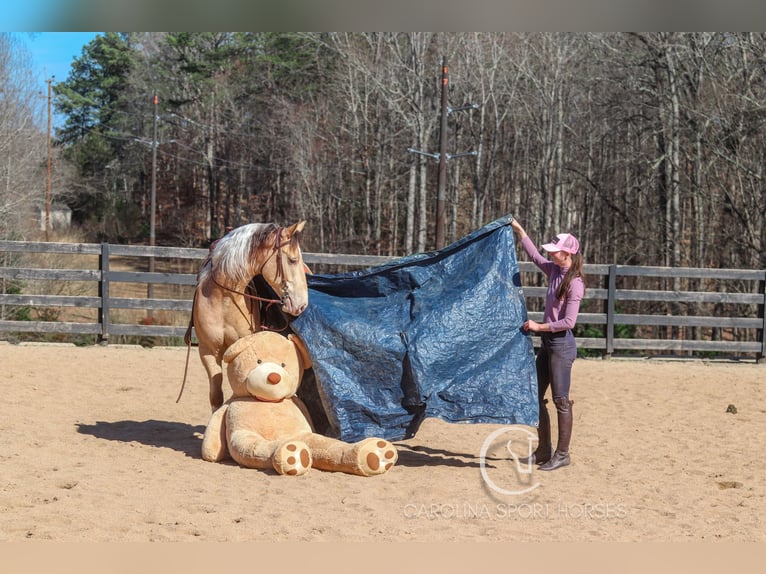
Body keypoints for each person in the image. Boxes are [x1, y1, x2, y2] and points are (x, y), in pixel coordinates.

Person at [510, 216, 585, 471]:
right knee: (536, 396)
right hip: (548, 345)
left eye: (555, 252)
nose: (551, 255)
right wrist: (520, 230)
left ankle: (562, 454)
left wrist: (539, 326)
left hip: (562, 346)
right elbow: (534, 256)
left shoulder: (575, 284)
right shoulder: (554, 270)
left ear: (567, 254)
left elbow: (568, 322)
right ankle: (544, 449)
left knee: (561, 400)